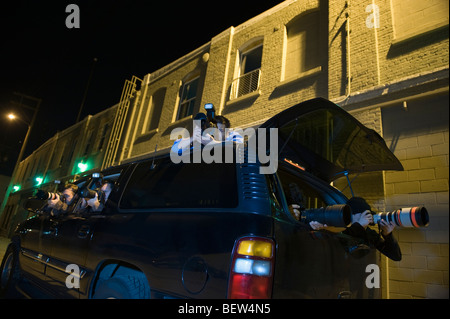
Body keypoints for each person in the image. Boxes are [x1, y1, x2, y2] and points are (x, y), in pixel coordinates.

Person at [343, 197, 402, 261]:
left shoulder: (370, 234)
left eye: (367, 214)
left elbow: (396, 256)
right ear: (351, 215)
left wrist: (388, 235)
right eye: (362, 214)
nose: (365, 218)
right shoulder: (341, 230)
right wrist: (359, 226)